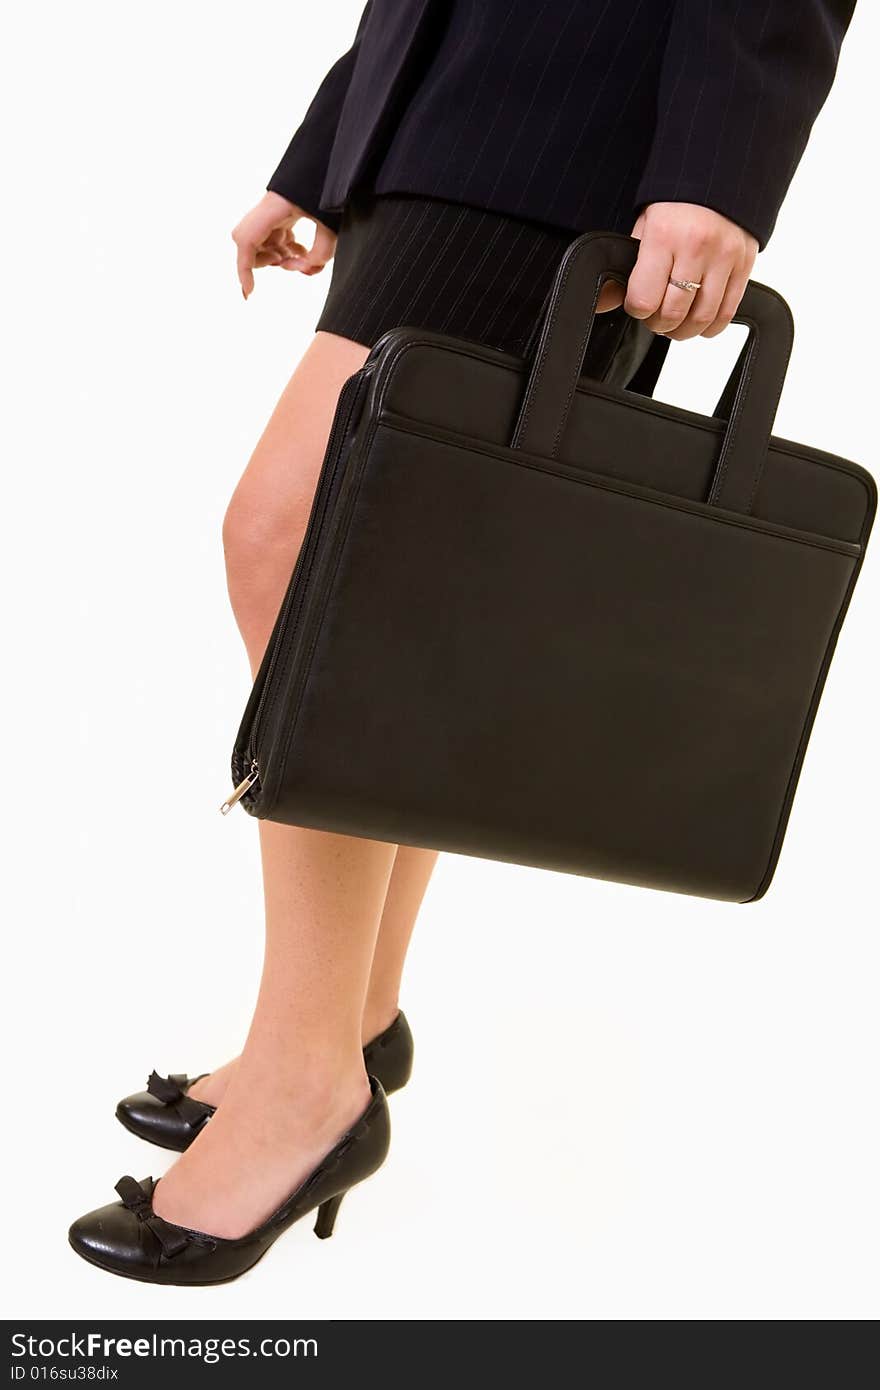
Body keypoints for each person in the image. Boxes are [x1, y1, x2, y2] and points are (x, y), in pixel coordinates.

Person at [69, 0, 856, 1284]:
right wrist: (334, 147)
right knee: (406, 592)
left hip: (573, 120)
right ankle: (352, 1022)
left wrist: (719, 163)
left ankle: (306, 1074)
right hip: (441, 120)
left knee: (306, 548)